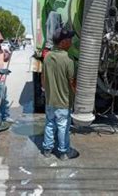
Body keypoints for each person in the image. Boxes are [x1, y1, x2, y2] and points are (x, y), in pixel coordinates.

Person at [41, 27, 79, 160]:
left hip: (50, 100)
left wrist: (45, 91)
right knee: (63, 127)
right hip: (63, 102)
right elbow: (72, 82)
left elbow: (43, 78)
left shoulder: (47, 57)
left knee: (49, 124)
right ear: (62, 42)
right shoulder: (69, 59)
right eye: (69, 39)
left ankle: (47, 149)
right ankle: (64, 152)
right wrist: (78, 99)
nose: (71, 42)